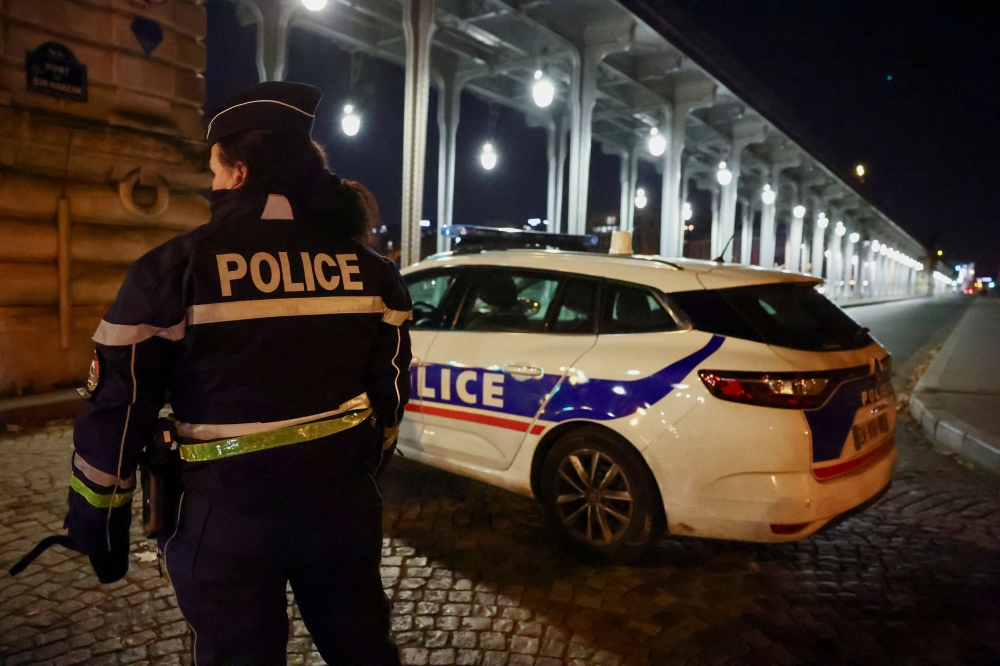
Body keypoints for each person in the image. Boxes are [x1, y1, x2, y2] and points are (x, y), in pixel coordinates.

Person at [58, 82, 410, 665]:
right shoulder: (372, 270)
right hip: (342, 505)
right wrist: (357, 465)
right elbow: (391, 391)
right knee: (363, 651)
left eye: (215, 172)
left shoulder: (173, 269)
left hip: (226, 518)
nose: (213, 184)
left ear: (239, 174)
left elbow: (118, 406)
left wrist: (96, 518)